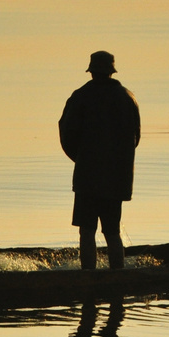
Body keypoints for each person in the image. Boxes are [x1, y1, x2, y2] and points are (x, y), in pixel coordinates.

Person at [58, 50, 140, 270]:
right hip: (116, 178)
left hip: (88, 177)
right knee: (112, 231)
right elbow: (135, 138)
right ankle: (117, 276)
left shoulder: (80, 97)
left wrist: (81, 159)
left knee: (86, 231)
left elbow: (66, 135)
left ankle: (88, 276)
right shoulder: (127, 97)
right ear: (111, 72)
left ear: (92, 71)